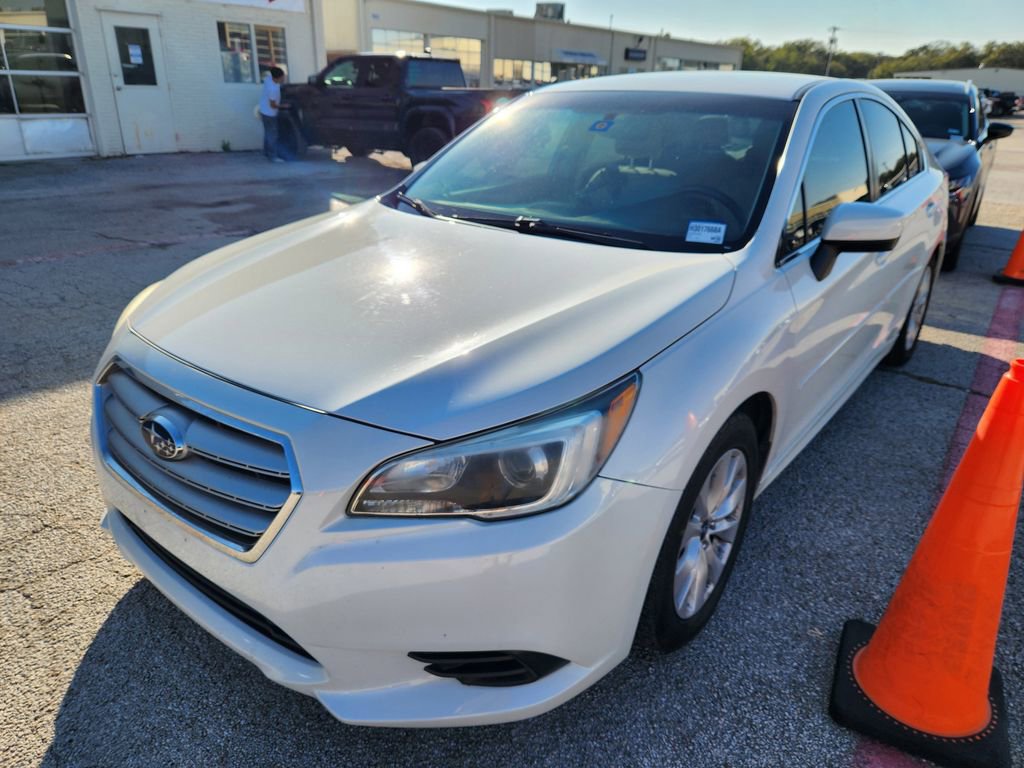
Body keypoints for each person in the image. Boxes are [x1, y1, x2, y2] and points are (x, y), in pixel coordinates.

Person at [259, 66, 286, 162]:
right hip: (270, 114)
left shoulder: (268, 79)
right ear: (277, 78)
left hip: (263, 111)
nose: (284, 79)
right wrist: (284, 106)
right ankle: (273, 157)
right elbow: (273, 105)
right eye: (282, 77)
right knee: (272, 135)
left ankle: (266, 153)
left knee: (267, 133)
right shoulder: (273, 89)